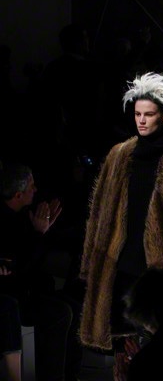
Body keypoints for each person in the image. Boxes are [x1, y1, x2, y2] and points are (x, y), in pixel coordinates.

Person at [78, 72, 163, 352]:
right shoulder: (119, 155)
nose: (141, 120)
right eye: (137, 114)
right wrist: (89, 265)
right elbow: (99, 213)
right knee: (124, 345)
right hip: (122, 265)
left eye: (149, 114)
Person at [0, 163, 79, 381]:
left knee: (74, 307)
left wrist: (45, 230)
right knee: (60, 313)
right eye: (31, 186)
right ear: (18, 194)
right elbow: (20, 268)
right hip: (14, 297)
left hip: (30, 290)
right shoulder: (5, 222)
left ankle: (70, 375)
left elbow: (36, 259)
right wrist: (39, 234)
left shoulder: (23, 215)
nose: (35, 190)